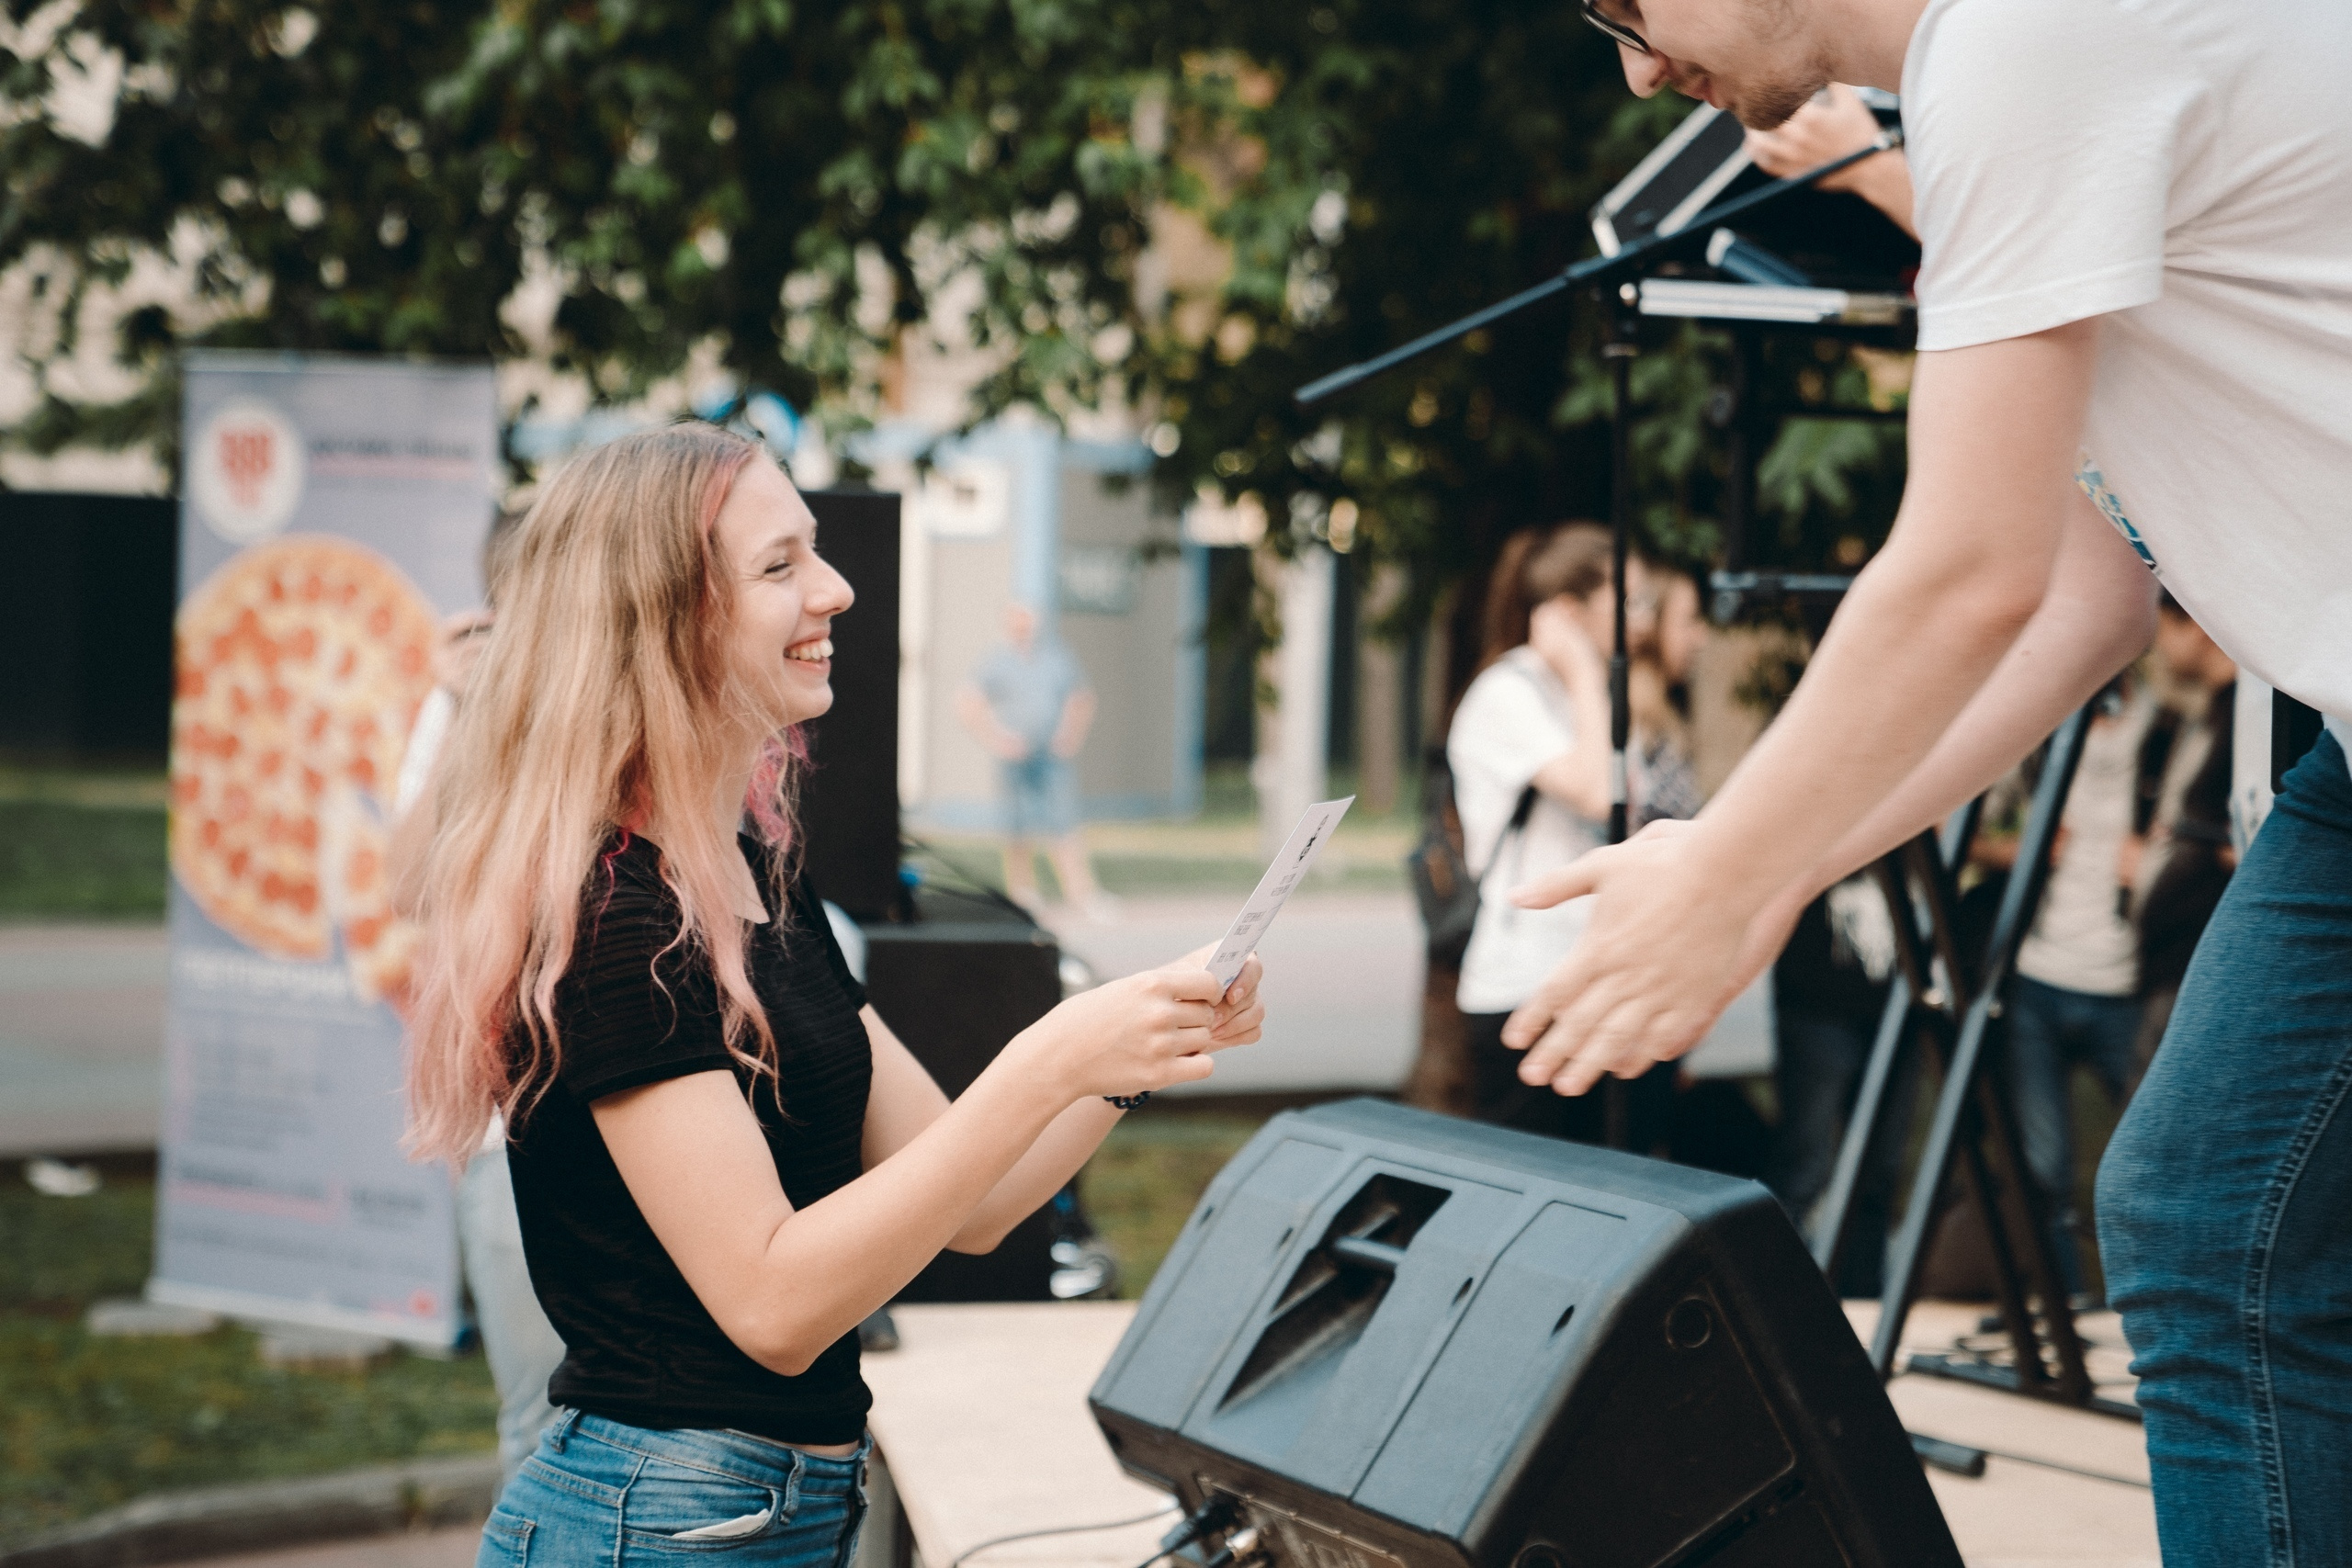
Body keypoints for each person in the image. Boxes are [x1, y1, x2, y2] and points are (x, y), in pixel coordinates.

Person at [1520, 2, 2352, 1557]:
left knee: (2211, 1220)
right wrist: (1764, 868)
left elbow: (1962, 571)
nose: (1636, 69)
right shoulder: (2012, 89)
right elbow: (2069, 601)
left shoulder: (2025, 43)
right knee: (2198, 1218)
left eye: (1630, 7)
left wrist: (1723, 872)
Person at [398, 425, 1264, 1564]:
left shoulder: (753, 874)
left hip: (764, 1509)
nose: (837, 588)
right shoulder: (617, 922)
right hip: (659, 1518)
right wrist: (1051, 1056)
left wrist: (1129, 1059)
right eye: (779, 565)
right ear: (665, 621)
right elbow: (772, 1304)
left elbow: (974, 1200)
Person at [389, 516, 569, 1488]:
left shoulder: (629, 689)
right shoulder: (463, 706)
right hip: (514, 1127)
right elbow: (408, 884)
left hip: (642, 1100)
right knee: (535, 1427)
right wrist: (459, 708)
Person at [1975, 674, 2158, 1303]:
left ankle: (2153, 1301)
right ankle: (2064, 1300)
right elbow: (1971, 832)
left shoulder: (2159, 732)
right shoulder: (2041, 732)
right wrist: (2019, 850)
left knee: (2155, 1155)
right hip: (2040, 978)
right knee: (2042, 1165)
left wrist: (2156, 861)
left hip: (2124, 978)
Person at [1445, 524, 1616, 1143]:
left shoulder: (1571, 695)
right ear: (1568, 612)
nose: (1635, 621)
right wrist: (1587, 675)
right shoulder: (1507, 693)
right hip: (1524, 985)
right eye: (1623, 601)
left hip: (1585, 978)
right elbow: (1595, 789)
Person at [2125, 596, 2238, 1076]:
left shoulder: (2245, 726)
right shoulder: (2204, 716)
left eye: (2166, 629)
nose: (2159, 647)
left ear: (2195, 624)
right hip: (2169, 962)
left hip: (2198, 962)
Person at [956, 604, 1113, 918]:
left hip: (1050, 754)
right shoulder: (996, 662)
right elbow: (967, 701)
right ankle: (1023, 895)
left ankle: (1082, 894)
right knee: (1018, 828)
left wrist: (1070, 735)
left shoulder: (1056, 658)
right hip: (1015, 755)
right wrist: (995, 738)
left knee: (1064, 823)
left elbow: (1080, 698)